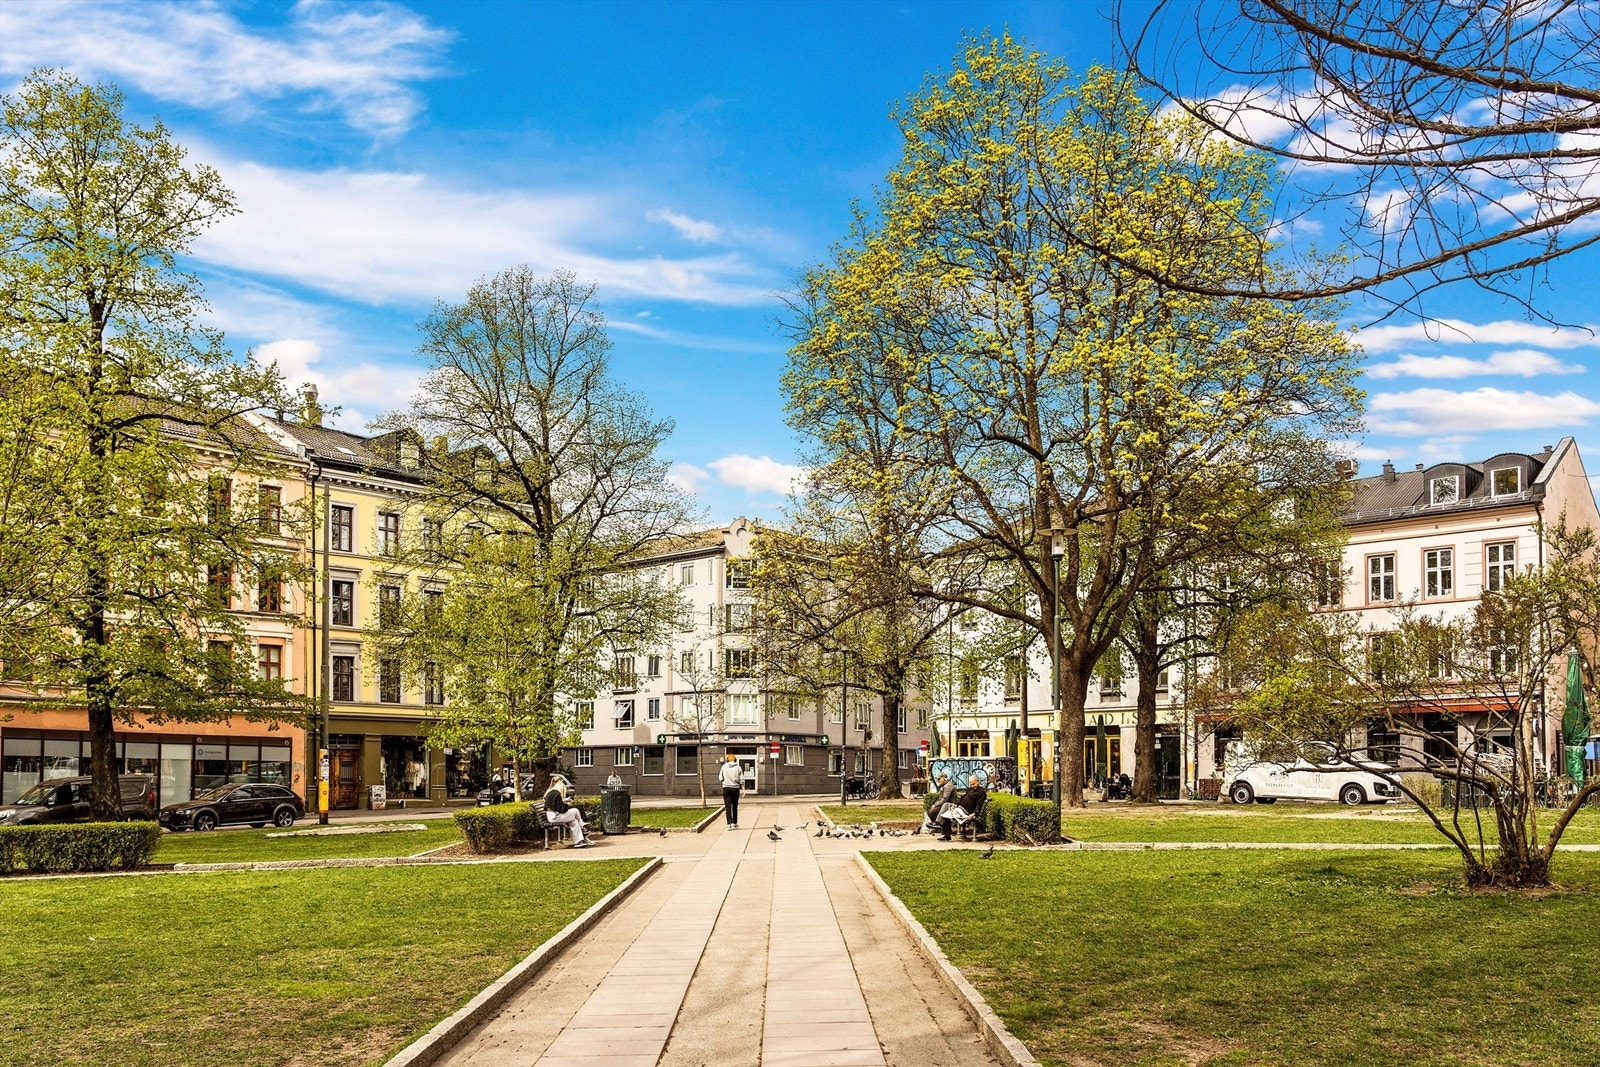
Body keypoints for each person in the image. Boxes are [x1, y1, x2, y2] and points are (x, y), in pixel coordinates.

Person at [543, 774, 589, 847]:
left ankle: (578, 841)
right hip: (555, 817)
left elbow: (556, 806)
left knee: (574, 821)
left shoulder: (551, 792)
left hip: (552, 815)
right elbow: (562, 809)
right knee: (575, 810)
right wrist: (567, 805)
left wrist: (564, 803)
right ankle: (582, 824)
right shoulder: (556, 794)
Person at [939, 775, 988, 841]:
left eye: (974, 784)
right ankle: (943, 830)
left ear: (978, 781)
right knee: (945, 812)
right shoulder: (970, 789)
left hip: (966, 812)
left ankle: (938, 824)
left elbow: (979, 804)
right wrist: (956, 804)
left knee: (945, 806)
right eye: (971, 784)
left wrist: (973, 814)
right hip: (960, 809)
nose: (972, 786)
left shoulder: (981, 792)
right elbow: (963, 797)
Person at [719, 754, 744, 829]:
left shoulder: (723, 767)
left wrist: (725, 781)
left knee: (728, 806)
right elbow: (741, 779)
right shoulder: (738, 767)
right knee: (735, 806)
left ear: (727, 760)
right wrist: (743, 789)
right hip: (735, 788)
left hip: (726, 788)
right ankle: (734, 823)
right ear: (735, 760)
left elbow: (720, 778)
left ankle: (728, 824)